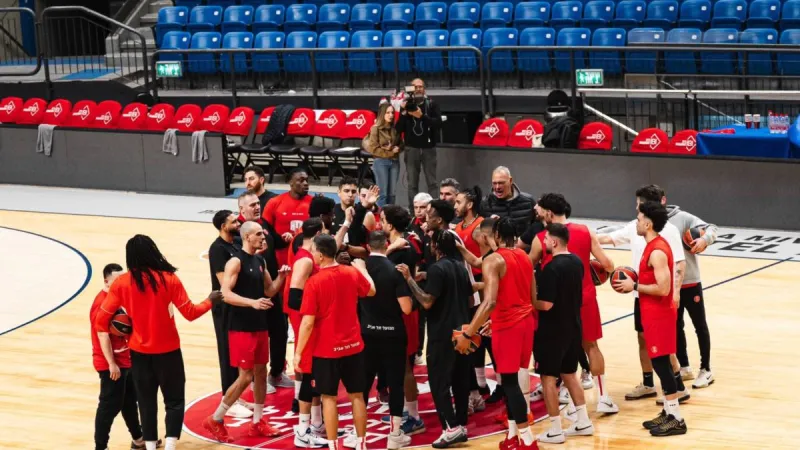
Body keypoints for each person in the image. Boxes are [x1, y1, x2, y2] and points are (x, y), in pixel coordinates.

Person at [94, 235, 220, 450]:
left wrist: (124, 331)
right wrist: (210, 300)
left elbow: (100, 322)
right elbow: (190, 313)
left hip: (139, 353)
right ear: (153, 251)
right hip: (169, 351)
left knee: (146, 402)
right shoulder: (169, 279)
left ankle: (151, 447)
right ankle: (170, 445)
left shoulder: (121, 283)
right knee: (174, 400)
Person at [597, 186, 689, 403]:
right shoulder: (636, 229)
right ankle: (649, 384)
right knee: (644, 340)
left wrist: (675, 292)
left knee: (664, 348)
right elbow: (608, 238)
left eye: (638, 204)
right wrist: (579, 235)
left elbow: (679, 263)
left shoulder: (665, 237)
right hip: (643, 298)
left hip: (659, 298)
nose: (635, 208)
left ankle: (676, 390)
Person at [529, 193, 619, 414]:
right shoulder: (586, 231)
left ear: (549, 213)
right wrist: (593, 275)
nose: (538, 213)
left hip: (555, 304)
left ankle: (568, 401)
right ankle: (604, 398)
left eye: (541, 210)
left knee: (558, 351)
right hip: (585, 297)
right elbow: (607, 264)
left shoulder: (542, 238)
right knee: (592, 346)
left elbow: (526, 268)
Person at [454, 218, 538, 450]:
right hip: (525, 323)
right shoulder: (524, 256)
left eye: (480, 235)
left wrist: (470, 331)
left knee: (509, 383)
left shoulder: (493, 259)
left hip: (509, 327)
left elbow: (489, 301)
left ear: (492, 236)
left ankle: (529, 442)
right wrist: (495, 320)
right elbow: (531, 298)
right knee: (511, 379)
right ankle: (513, 436)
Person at [204, 222, 290, 443]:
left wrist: (282, 276)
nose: (264, 238)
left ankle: (258, 421)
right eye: (259, 234)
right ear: (247, 237)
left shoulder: (260, 260)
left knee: (261, 372)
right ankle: (216, 418)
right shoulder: (235, 261)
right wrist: (252, 303)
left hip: (259, 325)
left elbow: (269, 291)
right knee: (245, 377)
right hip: (241, 327)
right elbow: (225, 294)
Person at [295, 234, 377, 450]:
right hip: (353, 347)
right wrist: (362, 269)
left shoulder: (314, 282)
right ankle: (361, 444)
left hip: (326, 350)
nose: (312, 254)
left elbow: (307, 323)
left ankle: (333, 447)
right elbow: (371, 290)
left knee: (328, 398)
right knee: (357, 396)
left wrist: (297, 353)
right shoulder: (351, 272)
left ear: (320, 256)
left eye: (313, 251)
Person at [612, 202, 687, 437]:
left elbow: (664, 289)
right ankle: (668, 410)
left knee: (662, 365)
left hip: (660, 315)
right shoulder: (650, 245)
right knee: (659, 363)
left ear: (648, 223)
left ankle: (677, 418)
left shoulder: (656, 250)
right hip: (651, 313)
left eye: (639, 217)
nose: (636, 221)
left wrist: (633, 285)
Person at [397, 230, 473, 449]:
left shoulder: (438, 268)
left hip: (442, 334)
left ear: (437, 247)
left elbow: (427, 302)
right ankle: (461, 425)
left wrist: (410, 280)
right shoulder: (460, 266)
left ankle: (450, 428)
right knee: (460, 381)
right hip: (463, 331)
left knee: (439, 382)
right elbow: (469, 299)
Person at [639, 185, 718, 388]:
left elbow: (712, 228)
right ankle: (684, 367)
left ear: (663, 201)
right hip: (668, 284)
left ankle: (706, 369)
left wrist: (704, 239)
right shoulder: (646, 223)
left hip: (690, 281)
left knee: (699, 325)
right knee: (676, 326)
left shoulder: (682, 218)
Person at [533, 223, 595, 444]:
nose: (544, 242)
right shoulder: (577, 262)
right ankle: (583, 421)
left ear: (555, 242)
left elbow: (546, 305)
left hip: (552, 330)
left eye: (546, 238)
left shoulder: (551, 268)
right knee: (570, 373)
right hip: (573, 326)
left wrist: (529, 300)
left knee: (548, 378)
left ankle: (555, 429)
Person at [360, 230, 414, 449]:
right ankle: (394, 435)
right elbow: (407, 308)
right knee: (395, 384)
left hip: (367, 333)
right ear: (387, 244)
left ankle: (358, 434)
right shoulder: (395, 272)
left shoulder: (360, 270)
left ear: (367, 246)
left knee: (362, 384)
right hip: (392, 334)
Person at [239, 191, 292, 392]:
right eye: (251, 205)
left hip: (271, 287)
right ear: (241, 209)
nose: (257, 206)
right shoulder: (240, 231)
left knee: (280, 330)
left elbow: (275, 242)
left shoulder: (264, 226)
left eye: (257, 203)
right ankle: (254, 379)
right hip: (252, 295)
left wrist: (285, 239)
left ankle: (276, 374)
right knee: (257, 338)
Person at [91, 263, 148, 450]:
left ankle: (139, 439)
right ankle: (101, 446)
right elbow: (102, 334)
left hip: (126, 359)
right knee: (109, 406)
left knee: (130, 401)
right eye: (118, 279)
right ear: (107, 281)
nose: (124, 282)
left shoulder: (118, 297)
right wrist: (111, 364)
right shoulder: (101, 303)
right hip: (111, 364)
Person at [381, 205, 425, 435]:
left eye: (382, 220)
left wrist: (387, 251)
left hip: (403, 310)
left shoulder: (401, 247)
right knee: (399, 365)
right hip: (405, 308)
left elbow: (383, 273)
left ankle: (414, 416)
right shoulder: (412, 241)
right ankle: (406, 410)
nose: (380, 223)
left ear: (389, 224)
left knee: (404, 366)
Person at [207, 210, 252, 419]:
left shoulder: (235, 242)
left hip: (237, 305)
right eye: (234, 221)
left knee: (236, 352)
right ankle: (227, 397)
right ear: (223, 226)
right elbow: (225, 281)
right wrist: (241, 269)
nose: (238, 222)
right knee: (226, 353)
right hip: (224, 307)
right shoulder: (217, 249)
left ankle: (235, 396)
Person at [397, 78, 442, 207]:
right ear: (410, 90)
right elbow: (398, 129)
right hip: (411, 149)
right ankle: (413, 212)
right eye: (415, 87)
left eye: (420, 86)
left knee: (432, 183)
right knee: (412, 184)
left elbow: (438, 124)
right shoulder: (405, 105)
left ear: (424, 89)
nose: (417, 89)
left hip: (429, 148)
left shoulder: (432, 105)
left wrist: (421, 116)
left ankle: (435, 210)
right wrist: (404, 112)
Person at [262, 168, 312, 267]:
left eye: (307, 180)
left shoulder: (313, 203)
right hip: (280, 257)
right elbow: (265, 229)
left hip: (305, 257)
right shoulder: (275, 202)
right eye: (301, 180)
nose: (306, 183)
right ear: (291, 182)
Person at [365, 103, 403, 207]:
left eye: (392, 112)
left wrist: (398, 148)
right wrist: (390, 152)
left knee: (392, 194)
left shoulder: (395, 128)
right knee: (383, 194)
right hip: (381, 162)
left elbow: (401, 143)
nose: (391, 115)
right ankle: (381, 217)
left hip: (394, 161)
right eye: (387, 113)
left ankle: (391, 216)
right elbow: (373, 149)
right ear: (382, 114)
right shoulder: (375, 128)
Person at [480, 167, 535, 237]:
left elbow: (536, 228)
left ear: (510, 180)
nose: (497, 187)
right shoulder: (484, 204)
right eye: (494, 183)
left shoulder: (528, 201)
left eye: (501, 183)